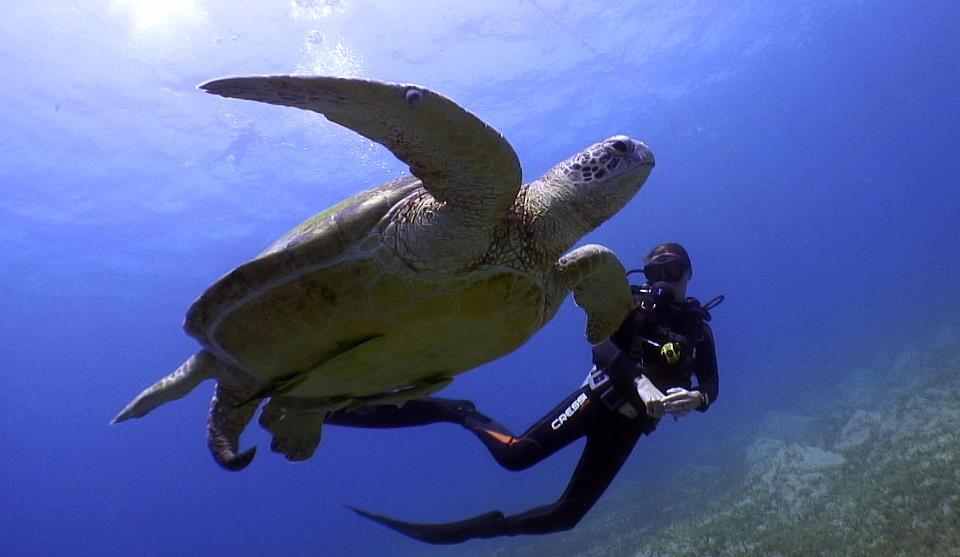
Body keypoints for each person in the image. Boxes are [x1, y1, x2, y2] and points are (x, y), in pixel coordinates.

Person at [327, 242, 723, 544]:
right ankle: (459, 412)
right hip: (595, 401)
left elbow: (711, 386)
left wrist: (696, 399)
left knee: (566, 516)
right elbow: (601, 344)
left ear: (688, 273)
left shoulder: (698, 330)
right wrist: (639, 383)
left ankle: (484, 530)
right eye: (654, 270)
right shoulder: (629, 304)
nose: (661, 279)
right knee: (516, 456)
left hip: (630, 427)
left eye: (671, 270)